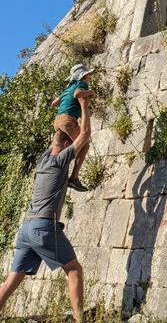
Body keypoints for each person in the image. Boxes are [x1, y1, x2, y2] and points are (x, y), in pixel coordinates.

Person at [0, 95, 91, 322]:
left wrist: (61, 109)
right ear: (67, 146)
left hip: (26, 228)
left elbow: (58, 137)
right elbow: (85, 135)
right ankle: (80, 319)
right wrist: (83, 104)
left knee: (12, 280)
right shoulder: (60, 161)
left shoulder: (42, 160)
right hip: (43, 228)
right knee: (74, 270)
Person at [51, 63, 95, 191]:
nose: (90, 77)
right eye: (88, 75)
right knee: (84, 146)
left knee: (64, 146)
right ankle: (74, 178)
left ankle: (57, 175)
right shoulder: (81, 83)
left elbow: (54, 103)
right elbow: (77, 94)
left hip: (58, 121)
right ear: (83, 76)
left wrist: (65, 104)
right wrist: (90, 92)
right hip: (69, 120)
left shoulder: (67, 88)